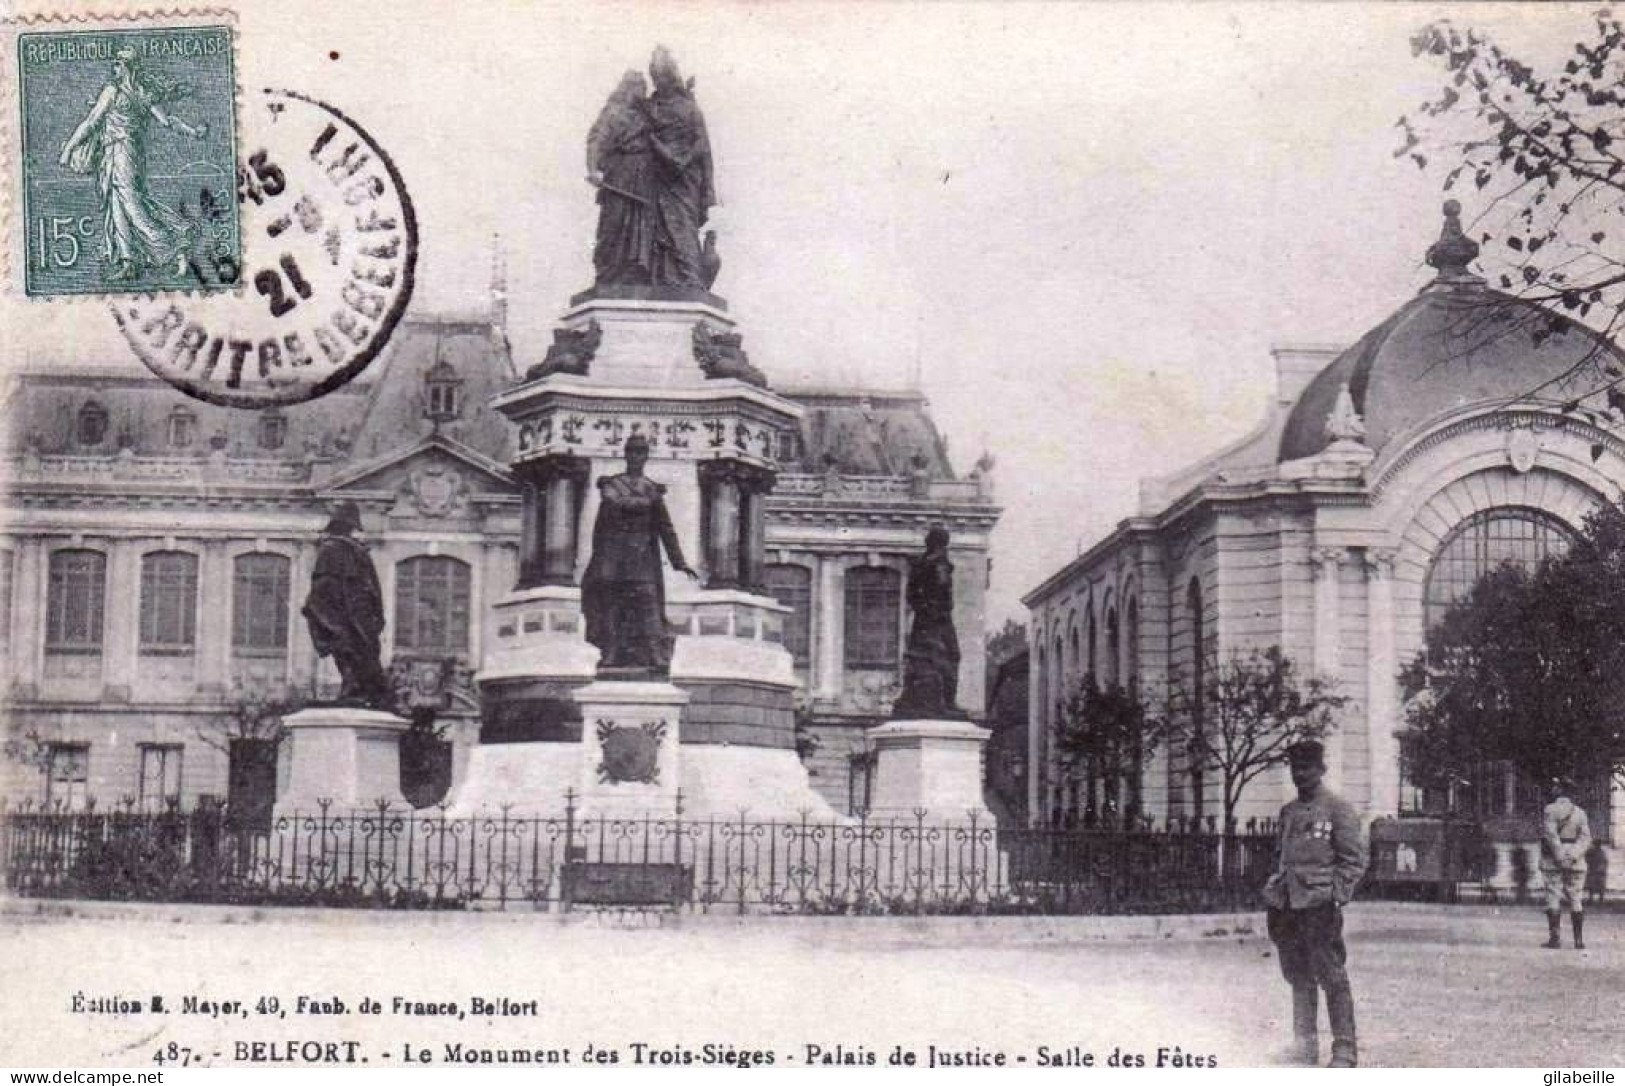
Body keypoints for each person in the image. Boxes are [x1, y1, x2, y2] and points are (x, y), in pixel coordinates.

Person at [58, 46, 208, 282]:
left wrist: (69, 148)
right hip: (124, 153)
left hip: (121, 152)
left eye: (118, 64)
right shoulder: (141, 91)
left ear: (127, 67)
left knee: (132, 206)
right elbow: (167, 121)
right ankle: (129, 262)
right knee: (118, 204)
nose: (114, 67)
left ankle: (175, 249)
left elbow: (91, 122)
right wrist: (194, 132)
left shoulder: (113, 90)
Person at [1262, 740, 1367, 1067]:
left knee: (1331, 976)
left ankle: (1345, 1049)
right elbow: (1282, 858)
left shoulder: (1338, 809)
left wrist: (1336, 895)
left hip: (1320, 906)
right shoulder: (1288, 812)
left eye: (1306, 768)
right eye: (1295, 768)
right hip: (1288, 905)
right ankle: (1305, 1046)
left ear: (1321, 769)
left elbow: (1353, 861)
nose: (1300, 775)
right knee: (1298, 975)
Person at [580, 433, 697, 674]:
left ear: (645, 457)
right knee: (612, 606)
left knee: (648, 605)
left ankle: (654, 653)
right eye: (632, 452)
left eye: (640, 452)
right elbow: (604, 520)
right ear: (626, 454)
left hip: (642, 559)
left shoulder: (650, 490)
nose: (636, 457)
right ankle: (611, 653)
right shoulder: (615, 485)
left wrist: (679, 562)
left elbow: (666, 528)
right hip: (614, 557)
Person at [302, 500, 391, 708]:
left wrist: (315, 607)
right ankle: (356, 688)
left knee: (344, 649)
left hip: (343, 614)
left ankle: (353, 687)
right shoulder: (359, 552)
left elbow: (323, 585)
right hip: (359, 615)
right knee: (356, 651)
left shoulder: (332, 549)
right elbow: (373, 591)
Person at [893, 525, 964, 719]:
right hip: (939, 618)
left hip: (924, 618)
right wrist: (938, 608)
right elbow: (942, 589)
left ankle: (925, 699)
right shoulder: (939, 564)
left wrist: (922, 608)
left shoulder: (920, 565)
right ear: (941, 544)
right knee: (950, 655)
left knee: (922, 656)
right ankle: (947, 702)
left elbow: (911, 594)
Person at [1540, 779, 1592, 950]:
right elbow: (1585, 839)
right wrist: (1573, 855)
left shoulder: (1550, 810)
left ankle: (1555, 939)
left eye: (1556, 786)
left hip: (1553, 860)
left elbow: (1551, 836)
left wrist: (1561, 857)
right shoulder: (1580, 813)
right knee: (1576, 897)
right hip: (1576, 861)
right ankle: (1579, 940)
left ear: (1560, 790)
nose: (1553, 788)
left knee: (1553, 895)